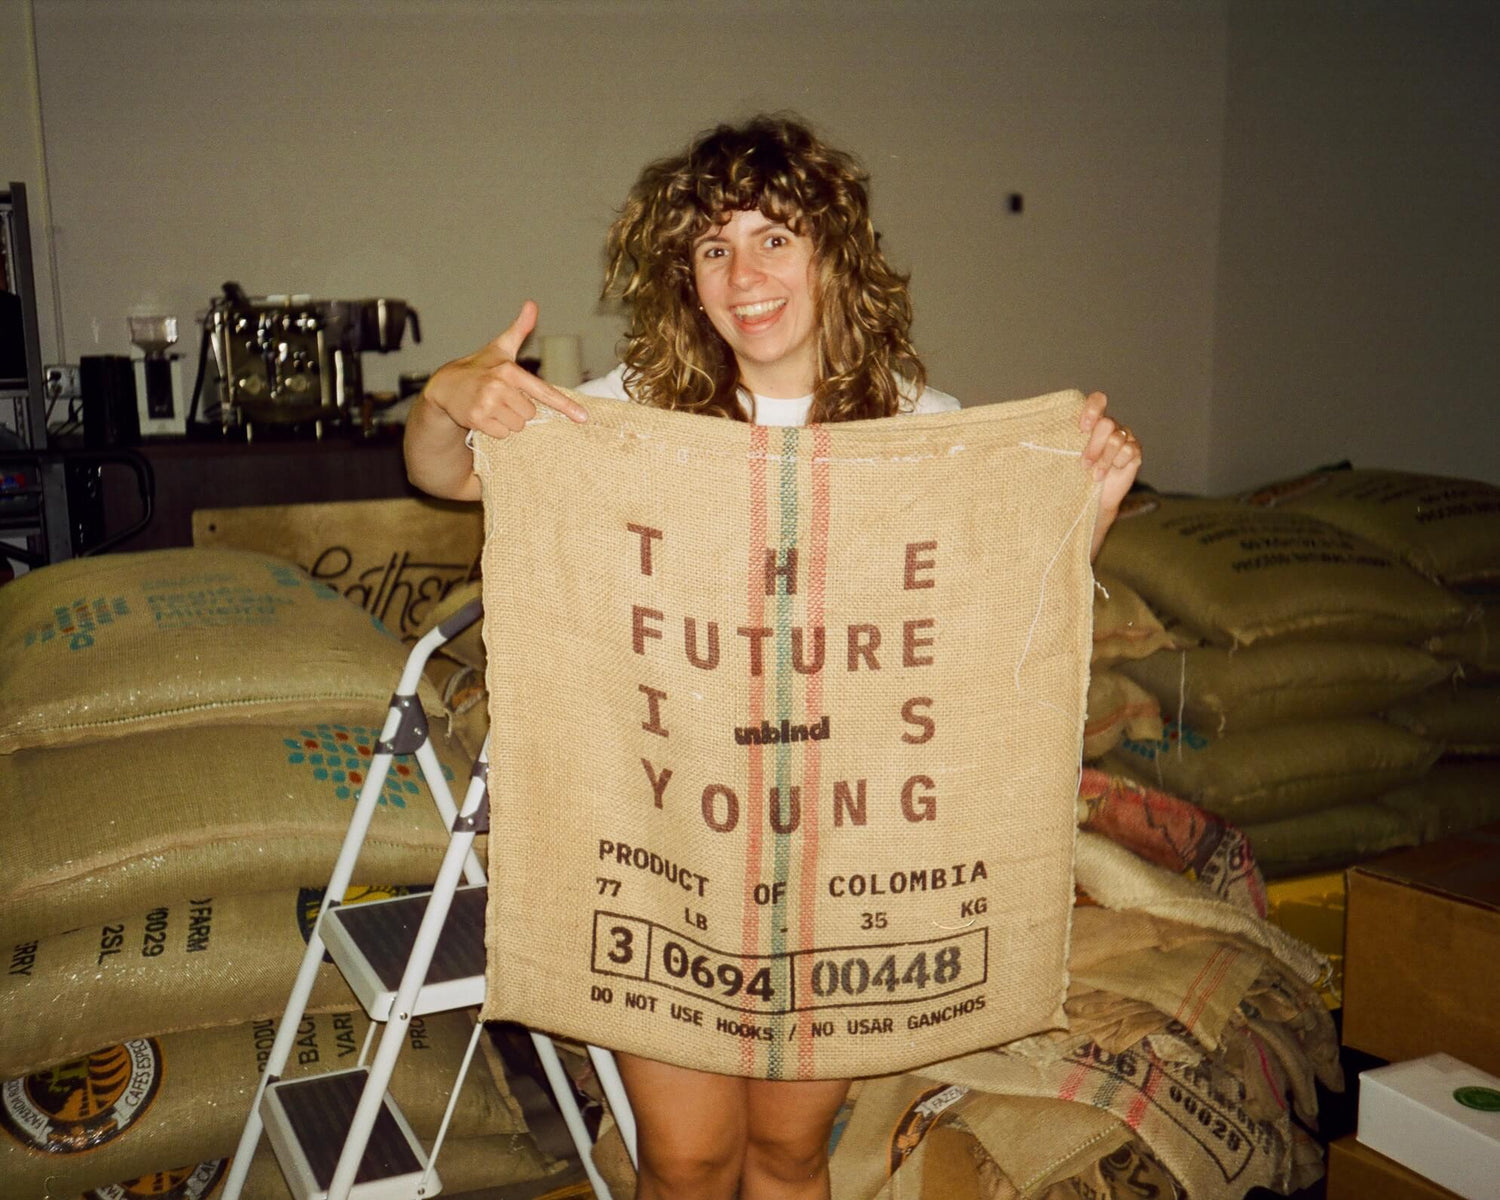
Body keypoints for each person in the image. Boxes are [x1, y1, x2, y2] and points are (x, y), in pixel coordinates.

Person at [404, 114, 1141, 1200]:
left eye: (774, 238)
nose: (742, 273)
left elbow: (987, 628)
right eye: (712, 248)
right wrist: (447, 398)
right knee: (691, 1158)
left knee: (792, 1155)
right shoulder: (633, 414)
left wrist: (1089, 509)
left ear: (836, 253)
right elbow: (446, 475)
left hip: (841, 860)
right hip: (669, 849)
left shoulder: (917, 426)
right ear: (685, 278)